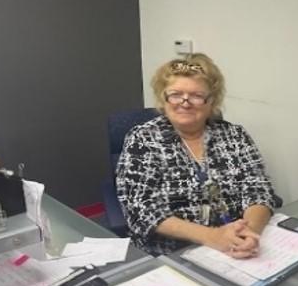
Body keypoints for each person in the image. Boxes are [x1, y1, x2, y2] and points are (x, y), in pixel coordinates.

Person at [116, 53, 276, 257]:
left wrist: (247, 233)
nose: (185, 102)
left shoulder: (235, 135)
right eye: (175, 94)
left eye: (197, 95)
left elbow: (258, 189)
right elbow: (142, 209)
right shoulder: (143, 139)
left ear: (211, 102)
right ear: (163, 98)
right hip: (170, 253)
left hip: (234, 246)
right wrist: (213, 237)